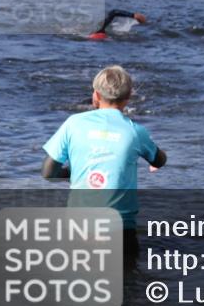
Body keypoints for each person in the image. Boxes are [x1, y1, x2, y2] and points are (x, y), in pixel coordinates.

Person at [41, 65, 167, 267]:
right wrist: (156, 161)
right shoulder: (135, 131)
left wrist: (73, 172)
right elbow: (159, 159)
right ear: (128, 98)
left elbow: (48, 173)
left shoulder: (73, 123)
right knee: (128, 286)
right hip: (120, 229)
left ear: (95, 96)